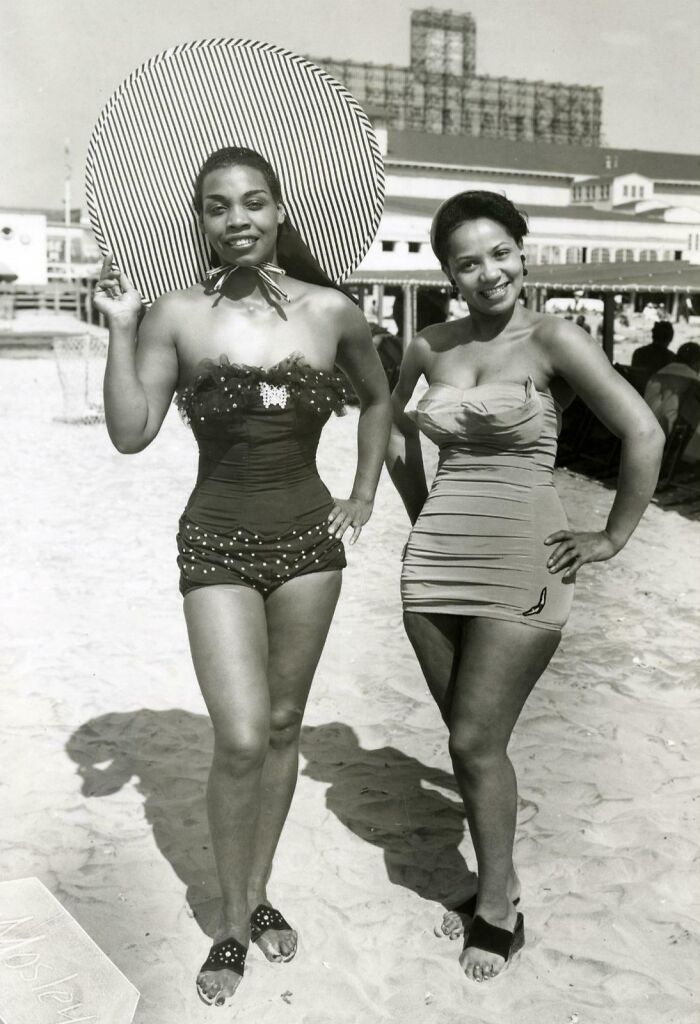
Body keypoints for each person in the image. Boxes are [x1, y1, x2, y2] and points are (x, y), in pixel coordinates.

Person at [95, 146, 391, 1007]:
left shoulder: (332, 310)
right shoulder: (175, 315)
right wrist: (120, 323)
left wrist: (365, 491)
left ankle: (259, 894)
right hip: (217, 541)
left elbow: (379, 397)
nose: (239, 219)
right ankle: (229, 921)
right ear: (201, 222)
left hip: (309, 543)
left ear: (279, 211)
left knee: (288, 722)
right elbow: (130, 431)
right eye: (219, 206)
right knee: (240, 736)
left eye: (254, 202)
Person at [386, 190, 664, 984]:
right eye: (468, 261)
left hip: (526, 560)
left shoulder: (554, 338)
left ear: (523, 251)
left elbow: (642, 431)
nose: (488, 271)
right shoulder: (427, 346)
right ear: (448, 273)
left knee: (473, 740)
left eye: (500, 252)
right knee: (473, 743)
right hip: (435, 561)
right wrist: (420, 517)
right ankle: (497, 876)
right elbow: (399, 434)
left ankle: (499, 909)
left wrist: (611, 536)